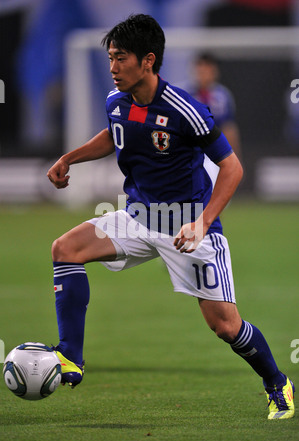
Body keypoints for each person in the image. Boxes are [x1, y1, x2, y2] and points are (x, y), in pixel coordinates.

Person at [47, 14, 294, 420]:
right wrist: (69, 158)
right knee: (65, 249)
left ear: (148, 60)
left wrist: (202, 223)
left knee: (225, 327)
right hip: (139, 217)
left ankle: (277, 382)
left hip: (189, 227)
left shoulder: (187, 110)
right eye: (109, 57)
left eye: (120, 58)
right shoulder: (117, 102)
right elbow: (115, 133)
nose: (112, 68)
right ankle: (70, 356)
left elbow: (232, 168)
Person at [193, 53, 242, 160]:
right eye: (201, 71)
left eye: (207, 71)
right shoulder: (187, 94)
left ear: (214, 72)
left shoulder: (222, 96)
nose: (203, 75)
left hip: (216, 150)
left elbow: (229, 128)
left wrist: (236, 158)